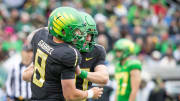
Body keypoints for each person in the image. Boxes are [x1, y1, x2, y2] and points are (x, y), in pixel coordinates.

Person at [22, 7, 103, 101]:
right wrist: (91, 93)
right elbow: (70, 95)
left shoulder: (40, 34)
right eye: (76, 30)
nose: (80, 34)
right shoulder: (69, 53)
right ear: (63, 31)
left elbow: (26, 75)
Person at [75, 12, 109, 101]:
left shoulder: (97, 51)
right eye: (86, 34)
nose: (89, 38)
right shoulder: (63, 48)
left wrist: (80, 72)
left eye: (91, 35)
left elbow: (104, 78)